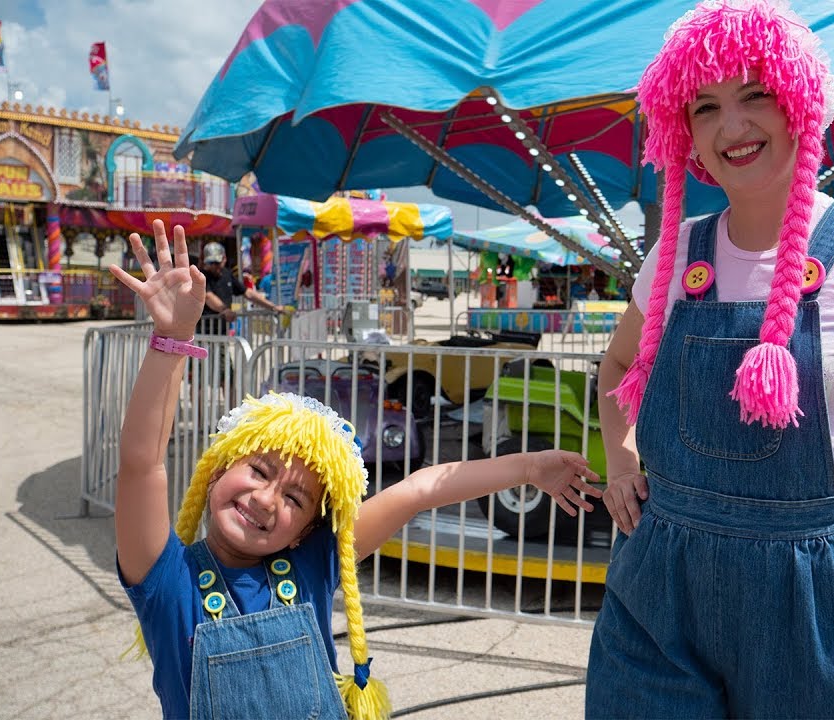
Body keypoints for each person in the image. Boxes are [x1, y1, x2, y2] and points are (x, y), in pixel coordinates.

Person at [587, 3, 834, 719]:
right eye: (706, 106)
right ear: (681, 129)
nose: (732, 127)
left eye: (756, 95)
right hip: (660, 589)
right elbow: (615, 368)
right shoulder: (673, 255)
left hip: (816, 600)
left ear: (801, 101)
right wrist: (621, 464)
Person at [108, 220, 602, 720]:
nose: (265, 499)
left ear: (306, 533)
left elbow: (420, 489)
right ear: (215, 469)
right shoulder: (166, 581)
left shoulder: (314, 564)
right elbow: (142, 464)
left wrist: (530, 465)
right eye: (258, 470)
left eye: (295, 500)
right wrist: (172, 339)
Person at [199, 240, 290, 334]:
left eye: (217, 262)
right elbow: (208, 296)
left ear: (224, 258)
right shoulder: (201, 275)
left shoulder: (227, 274)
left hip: (222, 330)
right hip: (204, 331)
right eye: (210, 263)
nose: (214, 266)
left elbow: (248, 293)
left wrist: (273, 307)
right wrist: (224, 309)